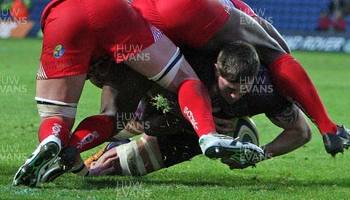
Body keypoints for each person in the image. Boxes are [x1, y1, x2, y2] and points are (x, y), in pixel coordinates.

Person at [12, 0, 264, 187]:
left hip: (61, 16)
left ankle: (54, 138)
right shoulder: (229, 26)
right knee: (183, 82)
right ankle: (208, 135)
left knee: (58, 117)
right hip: (111, 5)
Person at [118, 0, 350, 156]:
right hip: (185, 6)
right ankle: (328, 128)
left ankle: (196, 131)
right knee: (277, 52)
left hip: (151, 31)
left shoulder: (118, 24)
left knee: (172, 82)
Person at [84, 42, 312, 176]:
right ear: (216, 71)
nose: (235, 96)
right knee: (127, 126)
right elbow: (146, 80)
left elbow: (301, 132)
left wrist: (260, 154)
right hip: (160, 109)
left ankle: (117, 151)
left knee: (112, 170)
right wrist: (198, 122)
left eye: (243, 89)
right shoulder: (190, 67)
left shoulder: (267, 91)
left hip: (192, 138)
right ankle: (109, 142)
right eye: (230, 88)